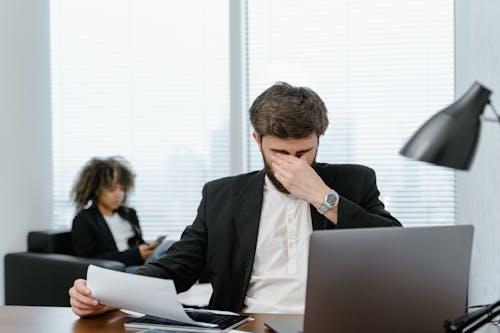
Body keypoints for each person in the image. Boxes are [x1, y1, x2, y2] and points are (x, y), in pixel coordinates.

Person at [69, 82, 401, 317]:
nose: (294, 164)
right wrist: (112, 294)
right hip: (247, 323)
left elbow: (394, 250)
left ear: (319, 139)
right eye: (279, 153)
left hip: (331, 324)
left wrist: (322, 196)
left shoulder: (354, 181)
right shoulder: (222, 196)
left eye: (304, 152)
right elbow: (178, 265)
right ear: (257, 141)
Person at [71, 156, 170, 272]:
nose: (119, 195)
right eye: (112, 189)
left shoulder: (129, 214)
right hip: (121, 270)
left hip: (143, 265)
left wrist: (149, 248)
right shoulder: (84, 220)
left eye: (122, 189)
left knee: (171, 250)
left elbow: (138, 243)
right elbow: (88, 261)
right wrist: (136, 254)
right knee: (170, 250)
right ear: (96, 190)